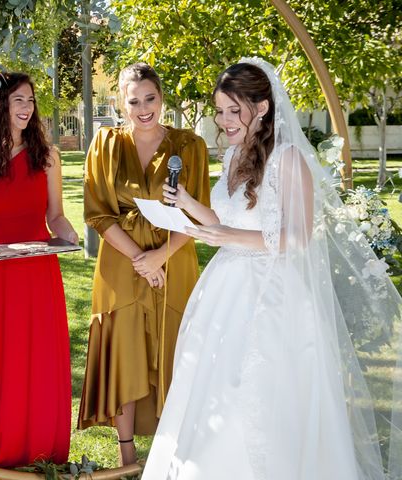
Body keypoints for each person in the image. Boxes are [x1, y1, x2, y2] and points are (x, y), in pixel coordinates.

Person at [142, 58, 402, 479]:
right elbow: (223, 220)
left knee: (260, 393)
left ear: (261, 107)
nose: (224, 120)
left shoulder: (289, 158)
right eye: (220, 111)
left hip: (272, 295)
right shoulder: (231, 157)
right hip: (224, 291)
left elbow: (297, 238)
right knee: (212, 391)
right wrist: (187, 204)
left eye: (233, 110)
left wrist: (225, 236)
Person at [78, 62, 211, 466]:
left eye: (149, 98)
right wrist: (140, 259)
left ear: (162, 98)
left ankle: (175, 450)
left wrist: (159, 257)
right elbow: (98, 213)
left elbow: (202, 216)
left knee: (175, 348)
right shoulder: (104, 143)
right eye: (133, 101)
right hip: (121, 263)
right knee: (125, 351)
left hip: (175, 261)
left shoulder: (190, 146)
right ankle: (126, 454)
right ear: (121, 103)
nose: (143, 108)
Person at [0, 72, 78, 469]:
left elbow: (55, 215)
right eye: (18, 100)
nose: (26, 108)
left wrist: (68, 232)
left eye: (30, 101)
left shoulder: (48, 156)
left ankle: (38, 451)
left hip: (38, 274)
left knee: (37, 361)